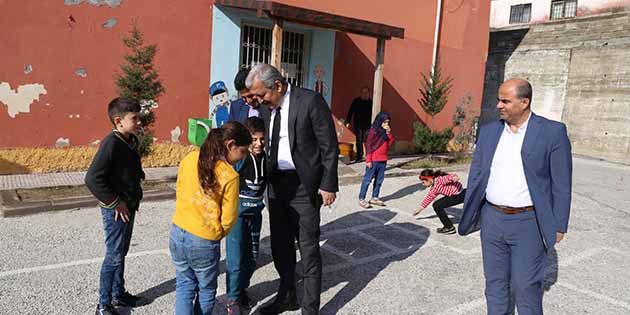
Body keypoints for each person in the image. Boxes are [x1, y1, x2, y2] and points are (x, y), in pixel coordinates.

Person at [458, 79, 572, 315]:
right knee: (495, 283)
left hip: (529, 222)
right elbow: (478, 174)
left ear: (524, 102)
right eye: (499, 99)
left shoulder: (552, 132)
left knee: (526, 286)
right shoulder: (490, 132)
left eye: (505, 101)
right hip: (492, 219)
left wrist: (559, 224)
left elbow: (561, 183)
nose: (499, 105)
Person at [246, 63, 339, 315]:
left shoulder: (309, 101)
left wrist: (328, 184)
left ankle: (310, 309)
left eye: (261, 95)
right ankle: (287, 296)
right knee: (280, 246)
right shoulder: (266, 108)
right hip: (277, 184)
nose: (258, 100)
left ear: (277, 86)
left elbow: (329, 146)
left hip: (303, 185)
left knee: (308, 249)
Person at [169, 122, 252, 315]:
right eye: (243, 151)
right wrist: (217, 233)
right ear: (230, 145)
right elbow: (230, 217)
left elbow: (180, 190)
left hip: (178, 231)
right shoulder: (230, 175)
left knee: (184, 285)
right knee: (206, 290)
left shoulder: (190, 159)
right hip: (204, 239)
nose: (244, 156)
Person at [86, 97, 147, 315]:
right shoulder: (111, 143)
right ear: (119, 121)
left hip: (129, 206)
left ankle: (118, 293)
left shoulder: (130, 140)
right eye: (135, 118)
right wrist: (115, 202)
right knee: (113, 255)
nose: (139, 122)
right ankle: (103, 305)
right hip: (116, 210)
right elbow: (92, 178)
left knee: (121, 252)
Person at [225, 117, 267, 315]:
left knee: (252, 256)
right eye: (254, 140)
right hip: (238, 216)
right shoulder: (240, 159)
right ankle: (232, 298)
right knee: (235, 258)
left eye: (261, 139)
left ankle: (242, 289)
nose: (258, 144)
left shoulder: (265, 157)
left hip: (255, 214)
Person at [358, 112, 394, 209]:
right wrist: (368, 160)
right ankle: (361, 199)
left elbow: (389, 143)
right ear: (379, 121)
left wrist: (389, 133)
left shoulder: (384, 132)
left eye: (387, 122)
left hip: (383, 160)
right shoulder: (373, 131)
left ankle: (375, 197)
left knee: (379, 180)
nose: (386, 124)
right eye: (384, 122)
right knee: (367, 180)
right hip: (373, 160)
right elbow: (368, 146)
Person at [412, 169, 466, 234]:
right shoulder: (434, 188)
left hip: (459, 195)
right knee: (437, 203)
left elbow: (449, 177)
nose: (423, 184)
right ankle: (449, 227)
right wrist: (419, 209)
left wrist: (454, 177)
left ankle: (449, 228)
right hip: (456, 195)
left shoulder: (439, 180)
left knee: (437, 206)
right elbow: (429, 197)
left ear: (429, 179)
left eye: (423, 182)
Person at [345, 86, 373, 163]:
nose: (365, 94)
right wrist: (348, 121)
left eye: (366, 92)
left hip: (368, 124)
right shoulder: (356, 101)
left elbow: (374, 113)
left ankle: (369, 156)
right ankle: (359, 157)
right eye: (363, 92)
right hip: (358, 124)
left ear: (369, 93)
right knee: (359, 140)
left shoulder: (371, 102)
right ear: (361, 93)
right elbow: (351, 111)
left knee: (368, 141)